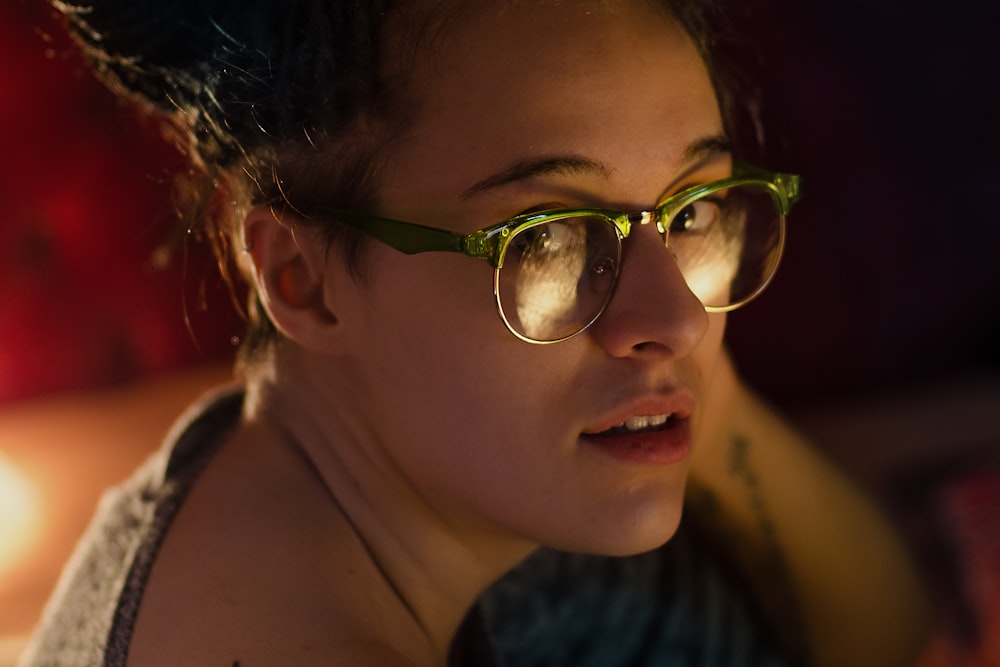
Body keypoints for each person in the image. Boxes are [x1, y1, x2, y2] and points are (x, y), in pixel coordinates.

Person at [21, 1, 932, 665]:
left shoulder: (457, 486)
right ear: (305, 280)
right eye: (550, 238)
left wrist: (712, 405)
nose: (677, 317)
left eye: (691, 210)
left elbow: (880, 628)